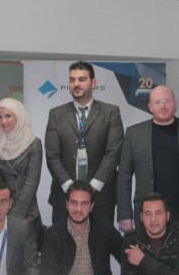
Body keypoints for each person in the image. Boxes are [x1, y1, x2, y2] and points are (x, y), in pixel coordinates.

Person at [117, 85, 179, 232]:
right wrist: (124, 214)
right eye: (157, 102)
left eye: (167, 101)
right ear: (150, 107)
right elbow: (123, 177)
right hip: (148, 216)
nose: (163, 106)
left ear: (175, 104)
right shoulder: (134, 134)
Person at [44, 60, 124, 227]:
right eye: (72, 80)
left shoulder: (110, 112)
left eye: (81, 79)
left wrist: (92, 187)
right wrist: (70, 188)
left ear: (93, 83)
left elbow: (113, 153)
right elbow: (52, 155)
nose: (76, 84)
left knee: (100, 242)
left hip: (101, 197)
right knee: (61, 242)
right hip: (64, 197)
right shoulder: (56, 114)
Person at [37, 181, 122, 275]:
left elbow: (126, 257)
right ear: (67, 204)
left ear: (92, 206)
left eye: (84, 204)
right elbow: (46, 273)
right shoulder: (54, 233)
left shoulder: (104, 229)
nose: (78, 209)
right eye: (74, 203)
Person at [0, 98, 43, 229]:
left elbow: (31, 183)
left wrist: (13, 217)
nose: (3, 121)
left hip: (26, 213)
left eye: (8, 116)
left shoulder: (33, 143)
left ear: (18, 116)